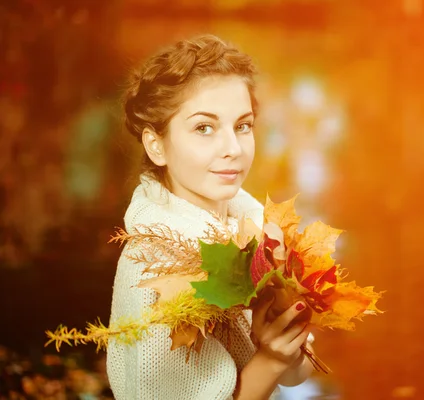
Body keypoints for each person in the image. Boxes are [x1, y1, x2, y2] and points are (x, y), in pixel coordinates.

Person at [107, 35, 315, 399]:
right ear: (156, 145)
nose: (233, 150)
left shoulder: (250, 224)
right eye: (204, 128)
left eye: (243, 126)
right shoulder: (158, 268)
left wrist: (285, 336)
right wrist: (270, 358)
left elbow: (301, 369)